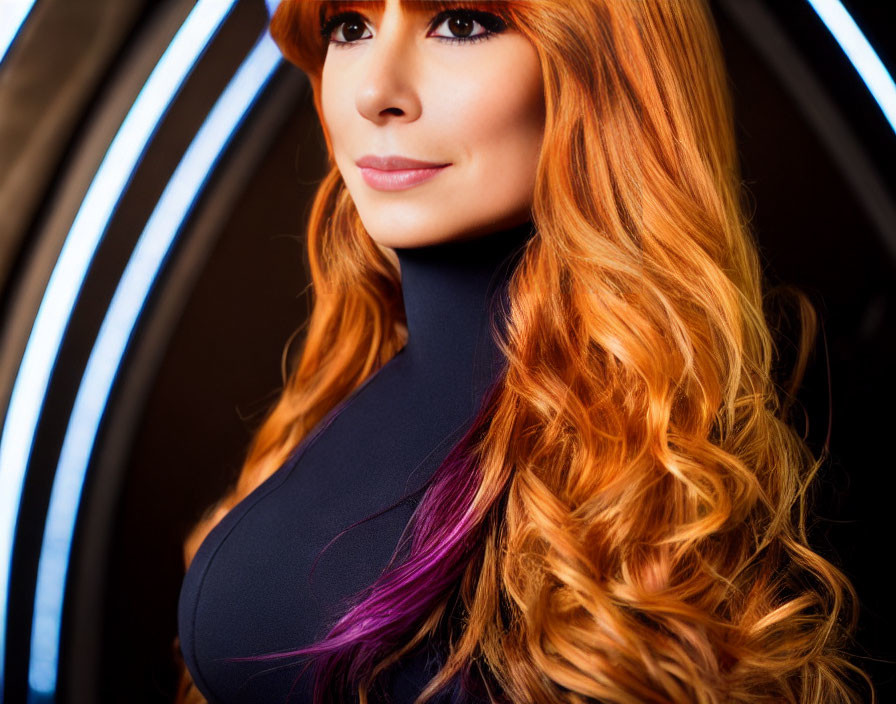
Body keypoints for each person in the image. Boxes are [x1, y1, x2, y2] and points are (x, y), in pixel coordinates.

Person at [174, 1, 873, 702]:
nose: (372, 92)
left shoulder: (680, 483)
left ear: (606, 65)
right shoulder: (335, 398)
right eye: (349, 27)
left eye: (461, 23)